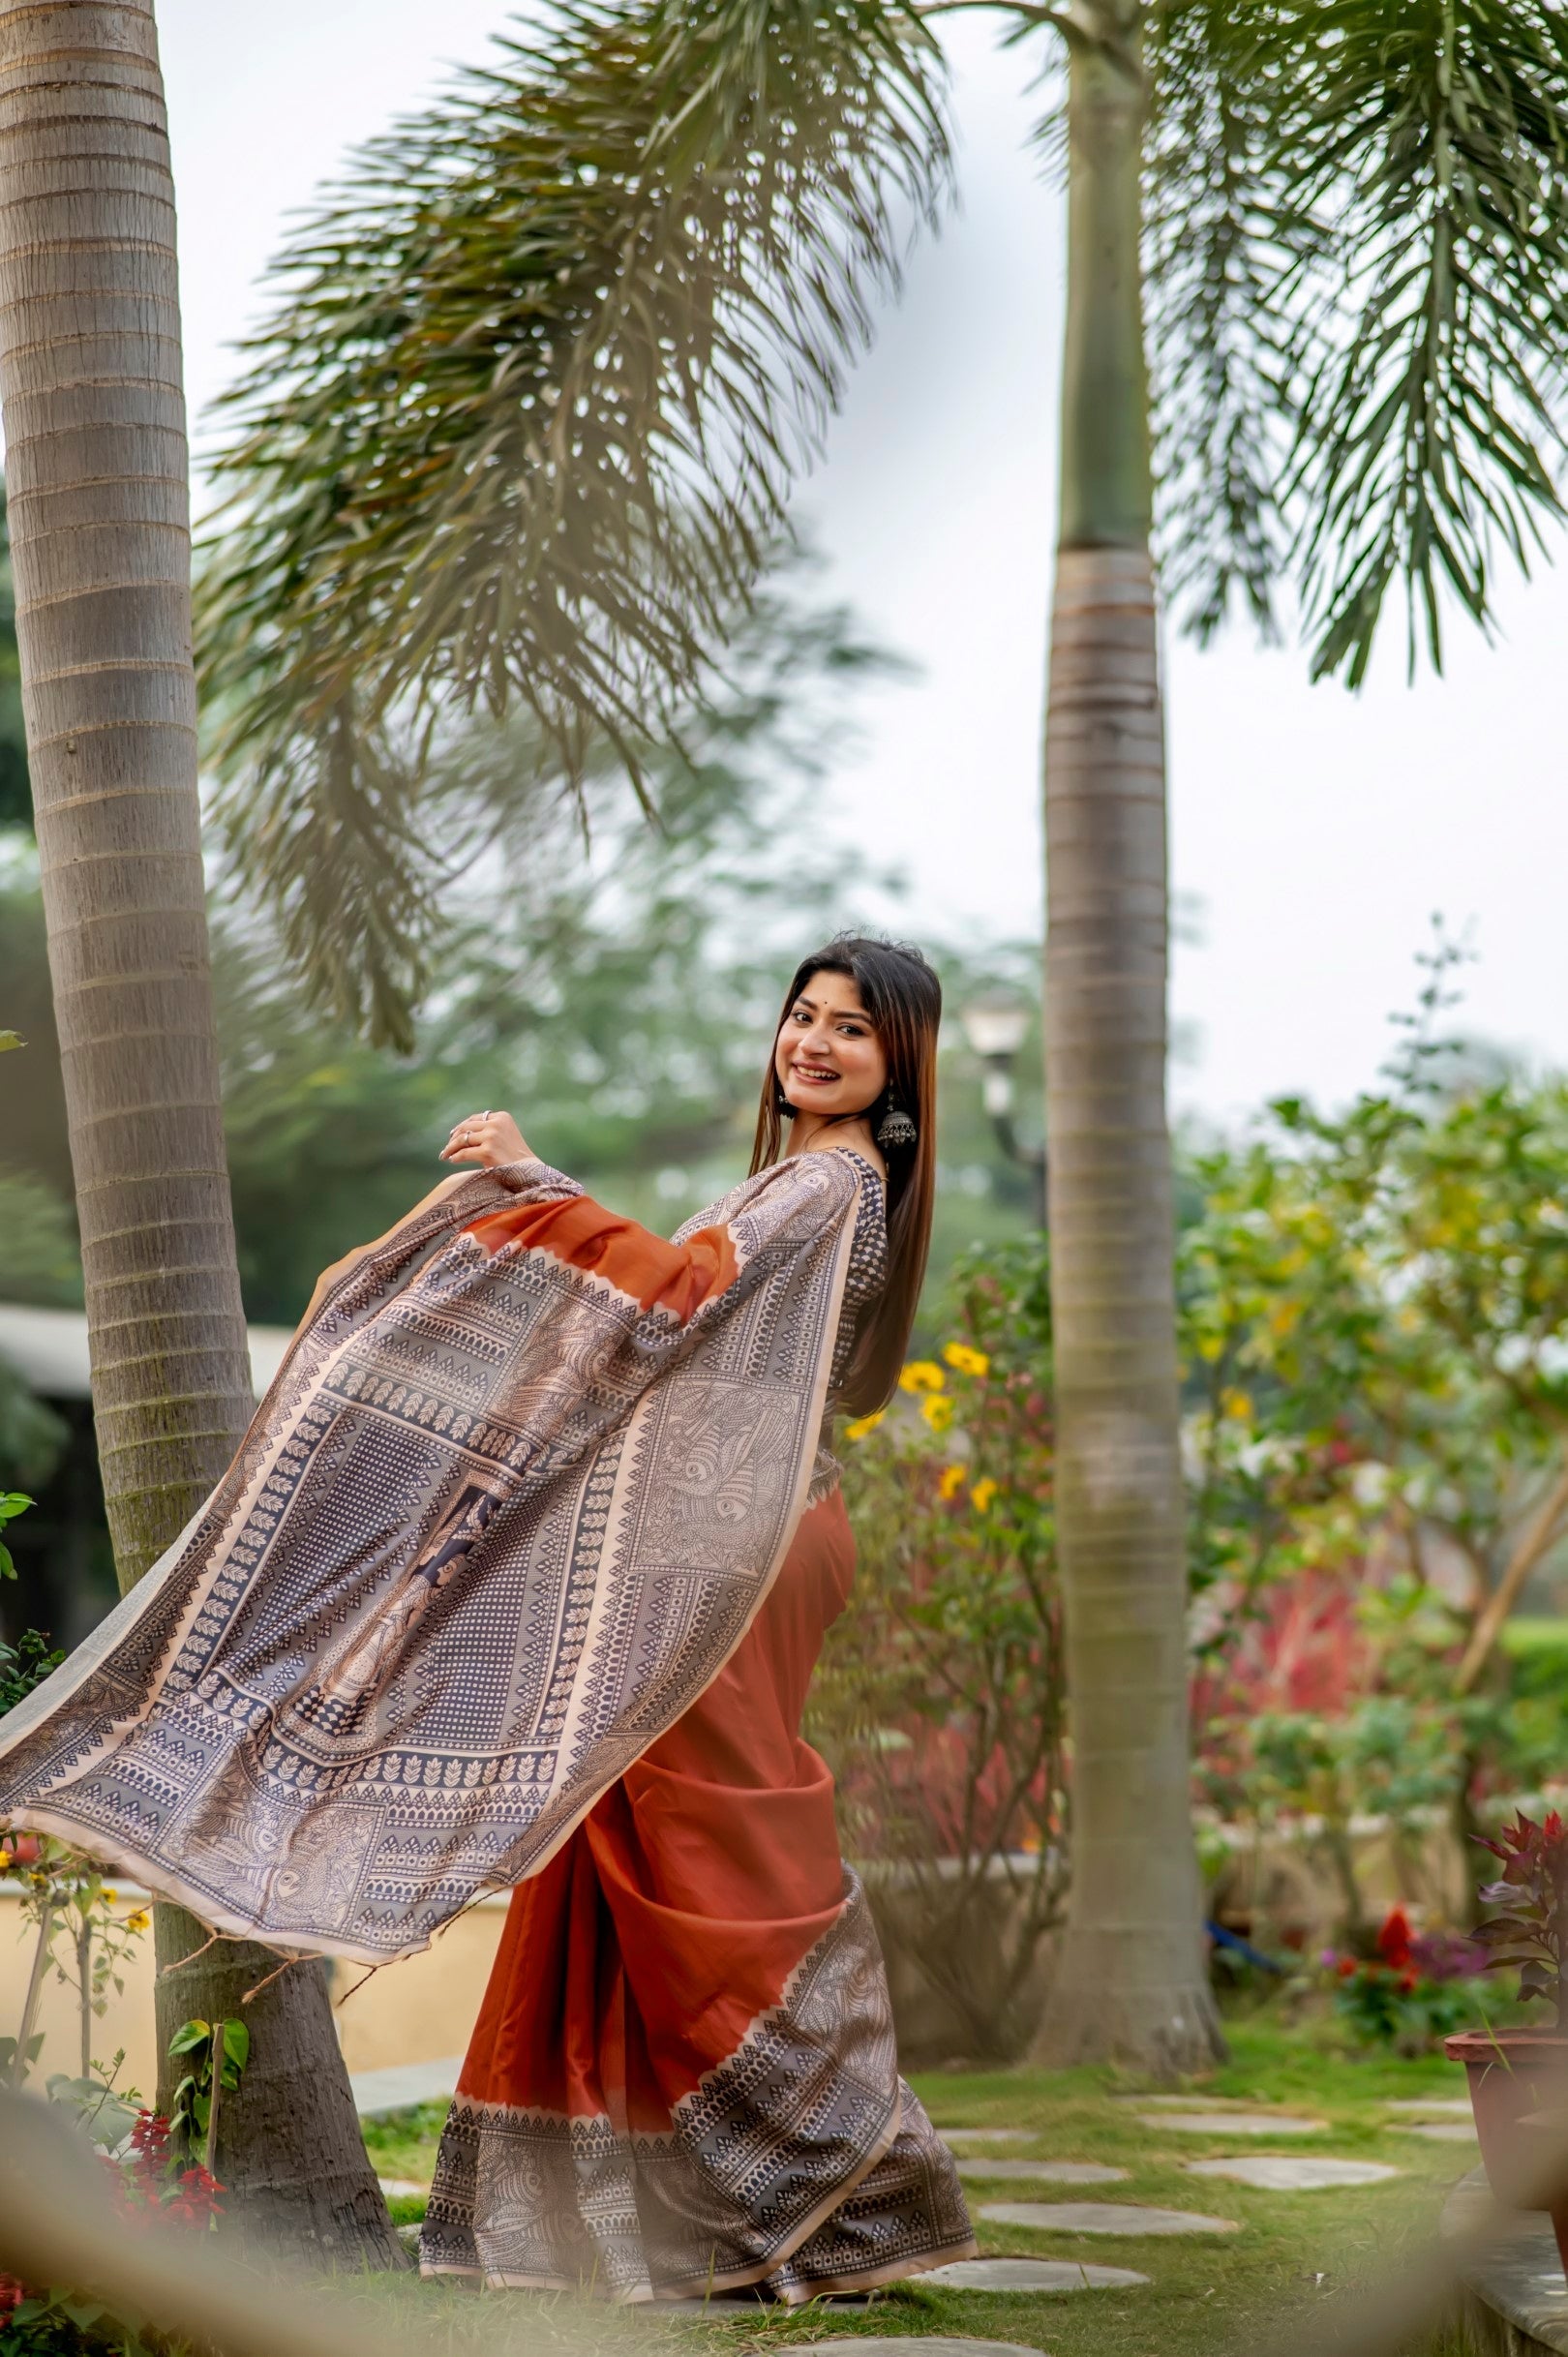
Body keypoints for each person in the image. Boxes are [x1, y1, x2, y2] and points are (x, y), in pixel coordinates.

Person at [0, 933, 974, 2302]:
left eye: (850, 1031)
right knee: (615, 1853)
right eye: (801, 1017)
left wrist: (540, 1184)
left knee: (706, 1857)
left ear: (899, 1066)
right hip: (741, 1547)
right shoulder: (813, 1178)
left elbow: (682, 1295)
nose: (811, 1043)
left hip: (743, 1564)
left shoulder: (829, 1179)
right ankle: (656, 2223)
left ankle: (842, 2182)